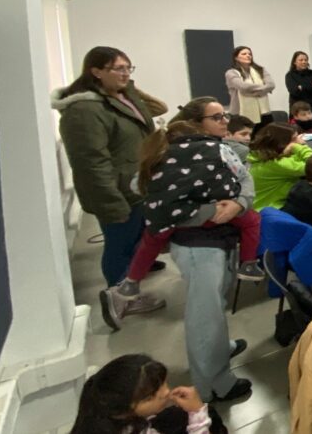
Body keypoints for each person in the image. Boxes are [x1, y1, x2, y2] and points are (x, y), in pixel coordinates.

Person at [100, 117, 265, 331]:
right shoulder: (218, 149)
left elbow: (137, 186)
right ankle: (248, 263)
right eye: (216, 117)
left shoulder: (157, 157)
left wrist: (173, 195)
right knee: (252, 220)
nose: (222, 121)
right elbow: (240, 174)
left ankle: (130, 283)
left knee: (150, 242)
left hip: (169, 218)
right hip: (218, 211)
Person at [52, 46, 166, 313]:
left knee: (136, 237)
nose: (126, 74)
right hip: (117, 190)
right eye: (119, 68)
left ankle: (135, 274)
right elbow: (91, 162)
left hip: (136, 183)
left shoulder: (121, 97)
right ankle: (121, 299)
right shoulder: (84, 109)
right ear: (96, 71)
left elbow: (160, 107)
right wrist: (111, 202)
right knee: (119, 245)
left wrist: (129, 87)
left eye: (129, 68)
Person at [161, 97, 255, 403]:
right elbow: (155, 197)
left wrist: (239, 203)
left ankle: (220, 350)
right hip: (197, 245)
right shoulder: (172, 154)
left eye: (224, 115)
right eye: (216, 118)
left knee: (215, 306)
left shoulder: (221, 148)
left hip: (223, 239)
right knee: (205, 317)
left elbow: (245, 180)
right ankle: (211, 386)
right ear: (196, 122)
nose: (225, 122)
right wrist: (208, 210)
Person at [70, 354, 220, 434]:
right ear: (121, 411)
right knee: (209, 418)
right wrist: (197, 413)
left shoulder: (98, 416)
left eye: (163, 383)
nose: (166, 392)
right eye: (149, 397)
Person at [247, 122, 312, 210]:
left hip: (265, 206)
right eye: (294, 139)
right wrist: (299, 147)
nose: (298, 141)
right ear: (281, 143)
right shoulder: (277, 164)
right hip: (274, 209)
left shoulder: (263, 156)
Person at [224, 46, 275, 121]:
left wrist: (254, 91)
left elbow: (271, 85)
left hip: (264, 112)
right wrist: (264, 89)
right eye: (244, 54)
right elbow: (243, 86)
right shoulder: (231, 73)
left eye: (249, 54)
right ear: (236, 58)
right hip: (240, 113)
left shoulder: (261, 70)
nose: (248, 56)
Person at [285, 51, 312, 120]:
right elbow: (294, 91)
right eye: (301, 60)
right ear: (294, 62)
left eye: (306, 60)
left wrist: (302, 87)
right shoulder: (290, 75)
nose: (304, 62)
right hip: (298, 110)